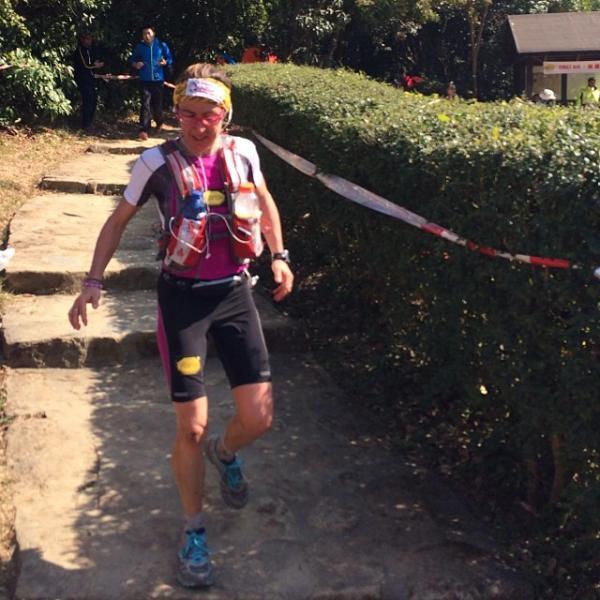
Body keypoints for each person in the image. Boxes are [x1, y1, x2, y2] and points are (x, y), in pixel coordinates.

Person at [67, 62, 294, 589]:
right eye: (187, 114)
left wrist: (280, 255)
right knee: (191, 426)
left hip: (234, 293)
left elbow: (263, 201)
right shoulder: (156, 162)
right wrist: (93, 280)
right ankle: (194, 531)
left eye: (208, 114)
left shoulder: (244, 153)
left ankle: (225, 452)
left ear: (225, 115)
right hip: (182, 301)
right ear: (177, 114)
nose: (196, 125)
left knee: (258, 418)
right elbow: (118, 220)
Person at [128, 26, 173, 140]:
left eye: (148, 33)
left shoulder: (161, 45)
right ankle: (144, 130)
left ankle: (159, 122)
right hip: (144, 79)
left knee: (157, 105)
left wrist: (165, 62)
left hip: (158, 80)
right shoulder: (140, 47)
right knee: (145, 104)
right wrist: (136, 64)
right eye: (144, 34)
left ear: (154, 34)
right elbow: (132, 60)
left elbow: (170, 59)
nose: (146, 36)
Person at [73, 30, 104, 130]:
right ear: (82, 40)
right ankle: (85, 124)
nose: (89, 41)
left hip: (90, 78)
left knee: (93, 100)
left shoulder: (90, 49)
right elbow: (86, 65)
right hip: (83, 78)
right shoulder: (80, 50)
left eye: (90, 39)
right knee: (88, 100)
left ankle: (89, 122)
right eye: (87, 39)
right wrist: (95, 65)